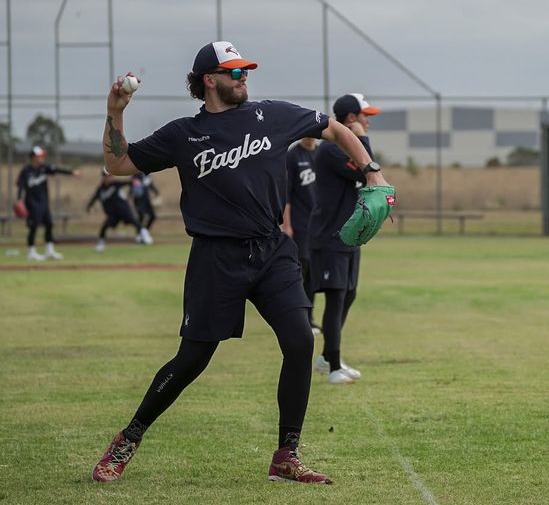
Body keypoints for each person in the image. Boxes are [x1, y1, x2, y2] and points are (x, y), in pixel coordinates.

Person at [91, 41, 390, 485]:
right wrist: (116, 111)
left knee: (299, 341)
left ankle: (286, 454)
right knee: (192, 359)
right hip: (216, 257)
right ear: (209, 80)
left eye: (245, 70)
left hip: (272, 250)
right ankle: (128, 438)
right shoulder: (183, 135)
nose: (244, 77)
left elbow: (336, 130)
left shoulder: (271, 115)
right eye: (234, 72)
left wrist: (372, 172)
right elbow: (117, 163)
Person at [309, 93, 382, 385]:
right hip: (330, 236)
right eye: (365, 116)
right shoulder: (330, 150)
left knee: (349, 294)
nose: (368, 121)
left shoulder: (340, 148)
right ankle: (334, 365)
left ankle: (327, 358)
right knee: (336, 297)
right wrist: (362, 138)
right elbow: (366, 167)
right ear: (351, 119)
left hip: (349, 236)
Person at [280, 137, 320, 335]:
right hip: (300, 224)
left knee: (313, 271)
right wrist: (287, 225)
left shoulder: (321, 153)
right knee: (301, 271)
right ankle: (299, 318)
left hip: (319, 225)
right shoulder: (293, 156)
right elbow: (286, 194)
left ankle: (310, 318)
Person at [15, 145, 80, 261]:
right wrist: (19, 199)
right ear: (33, 157)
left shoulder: (43, 168)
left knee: (49, 224)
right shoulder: (26, 171)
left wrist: (71, 172)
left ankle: (49, 250)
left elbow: (56, 169)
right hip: (32, 203)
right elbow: (20, 186)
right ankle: (31, 252)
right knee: (33, 227)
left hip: (44, 203)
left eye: (42, 156)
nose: (42, 158)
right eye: (39, 156)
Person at [86, 170, 153, 251]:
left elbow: (126, 182)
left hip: (123, 210)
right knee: (104, 227)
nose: (110, 178)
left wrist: (134, 181)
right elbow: (94, 198)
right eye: (108, 176)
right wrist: (89, 207)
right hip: (113, 214)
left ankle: (145, 236)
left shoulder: (115, 184)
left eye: (110, 176)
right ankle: (101, 244)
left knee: (135, 222)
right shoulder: (100, 189)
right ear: (103, 177)